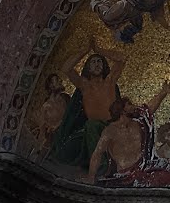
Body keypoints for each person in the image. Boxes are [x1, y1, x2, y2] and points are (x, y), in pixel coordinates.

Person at [49, 40, 128, 168]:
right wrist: (85, 50)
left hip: (112, 125)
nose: (97, 64)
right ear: (88, 68)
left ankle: (104, 165)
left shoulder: (110, 81)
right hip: (93, 128)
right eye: (93, 62)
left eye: (99, 61)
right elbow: (66, 68)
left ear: (104, 66)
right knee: (87, 129)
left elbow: (122, 58)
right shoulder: (84, 85)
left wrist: (99, 50)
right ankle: (100, 166)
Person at [88, 84, 170, 186]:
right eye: (129, 104)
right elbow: (97, 154)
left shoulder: (139, 122)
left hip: (145, 167)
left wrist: (164, 92)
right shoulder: (110, 131)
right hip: (125, 175)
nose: (134, 107)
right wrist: (90, 178)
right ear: (121, 110)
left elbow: (149, 108)